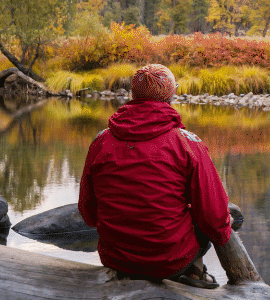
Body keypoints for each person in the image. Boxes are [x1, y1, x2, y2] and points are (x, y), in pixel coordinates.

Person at [79, 64, 233, 289]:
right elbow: (214, 218)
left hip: (115, 258)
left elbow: (89, 213)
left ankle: (190, 270)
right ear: (171, 95)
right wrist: (224, 233)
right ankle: (195, 270)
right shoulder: (188, 144)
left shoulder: (101, 141)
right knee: (204, 215)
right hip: (170, 261)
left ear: (133, 95)